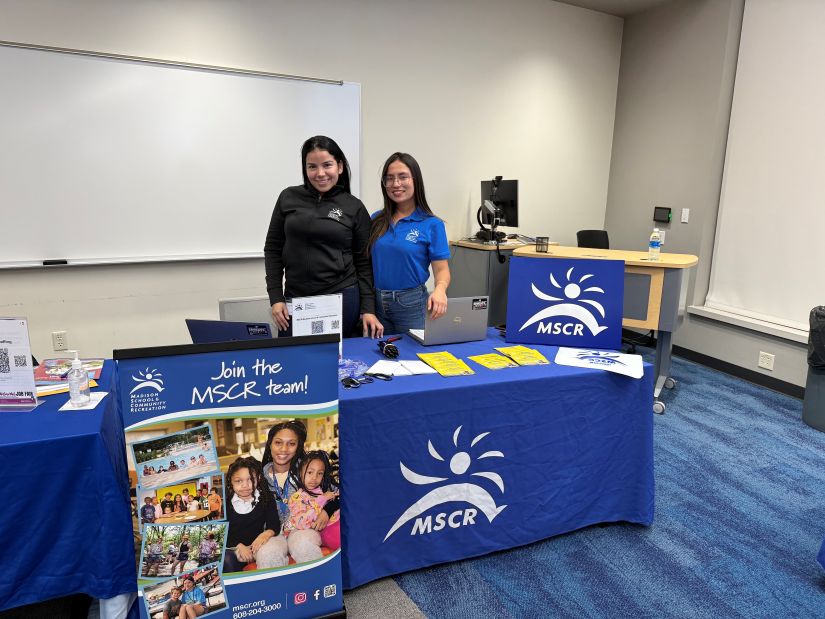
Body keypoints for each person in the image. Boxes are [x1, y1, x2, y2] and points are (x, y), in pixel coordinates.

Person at [264, 135, 382, 338]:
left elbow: (364, 263)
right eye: (312, 167)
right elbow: (273, 249)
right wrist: (276, 297)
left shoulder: (354, 207)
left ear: (340, 167)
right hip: (296, 298)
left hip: (341, 297)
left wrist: (368, 309)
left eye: (327, 165)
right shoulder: (288, 197)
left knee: (338, 362)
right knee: (295, 359)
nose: (320, 174)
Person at [368, 152, 451, 333]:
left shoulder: (432, 224)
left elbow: (442, 269)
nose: (396, 184)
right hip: (377, 304)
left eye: (402, 177)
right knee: (380, 356)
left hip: (411, 304)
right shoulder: (376, 220)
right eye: (389, 179)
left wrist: (440, 290)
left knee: (413, 357)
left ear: (415, 180)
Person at [223, 456, 288, 572]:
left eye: (250, 479)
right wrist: (239, 546)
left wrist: (265, 535)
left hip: (259, 545)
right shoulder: (226, 504)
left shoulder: (265, 498)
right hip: (235, 548)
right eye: (239, 481)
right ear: (231, 482)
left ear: (258, 478)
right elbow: (224, 533)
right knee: (226, 560)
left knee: (269, 554)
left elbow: (274, 525)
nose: (245, 485)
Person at [284, 451, 341, 563]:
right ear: (300, 473)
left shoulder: (324, 490)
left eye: (319, 473)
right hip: (325, 531)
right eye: (310, 472)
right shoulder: (297, 497)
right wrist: (322, 500)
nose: (314, 478)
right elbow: (302, 522)